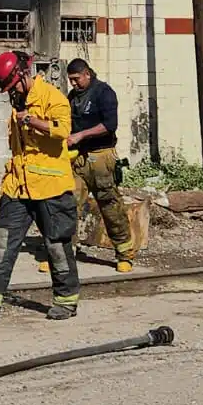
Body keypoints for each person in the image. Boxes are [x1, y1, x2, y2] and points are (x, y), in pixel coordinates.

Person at [0, 50, 82, 322]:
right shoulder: (18, 105)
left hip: (51, 189)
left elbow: (63, 131)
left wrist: (32, 120)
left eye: (11, 86)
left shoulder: (53, 98)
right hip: (19, 188)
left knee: (57, 246)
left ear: (24, 75)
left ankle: (66, 299)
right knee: (2, 242)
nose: (9, 93)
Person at [64, 58, 137, 272]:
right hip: (77, 159)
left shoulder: (103, 92)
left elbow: (109, 125)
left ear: (87, 74)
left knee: (110, 206)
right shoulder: (73, 97)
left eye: (76, 79)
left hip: (101, 157)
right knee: (68, 205)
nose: (73, 84)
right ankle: (65, 254)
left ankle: (125, 254)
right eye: (70, 80)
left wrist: (81, 135)